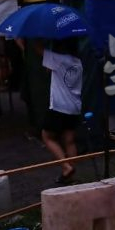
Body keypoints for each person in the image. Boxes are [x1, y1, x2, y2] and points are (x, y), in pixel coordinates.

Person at [41, 38, 83, 184]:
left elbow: (38, 51)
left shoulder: (57, 59)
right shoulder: (78, 62)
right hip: (74, 106)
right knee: (69, 140)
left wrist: (29, 40)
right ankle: (70, 173)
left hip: (59, 106)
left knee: (47, 136)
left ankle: (66, 167)